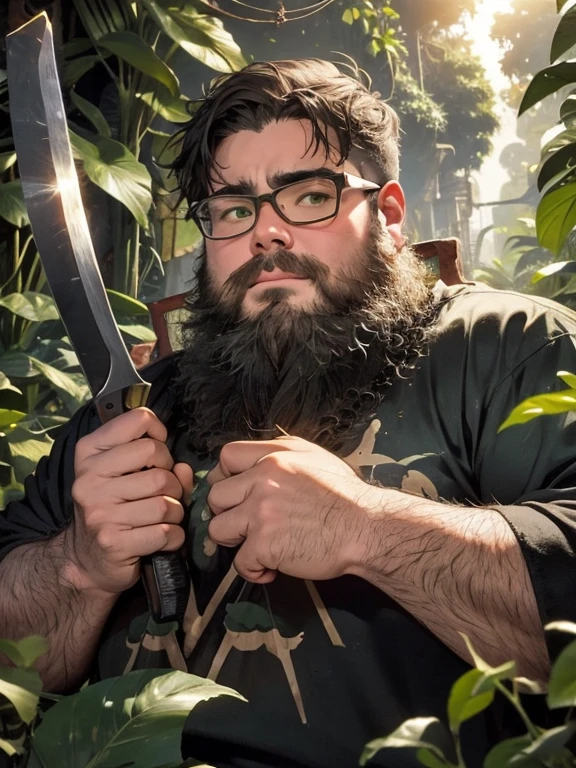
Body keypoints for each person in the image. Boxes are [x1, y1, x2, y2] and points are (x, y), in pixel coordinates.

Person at [1, 58, 576, 768]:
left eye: (308, 196)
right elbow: (13, 663)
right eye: (235, 209)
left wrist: (370, 529)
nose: (265, 233)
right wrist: (78, 567)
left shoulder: (511, 351)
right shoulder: (133, 413)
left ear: (389, 214)